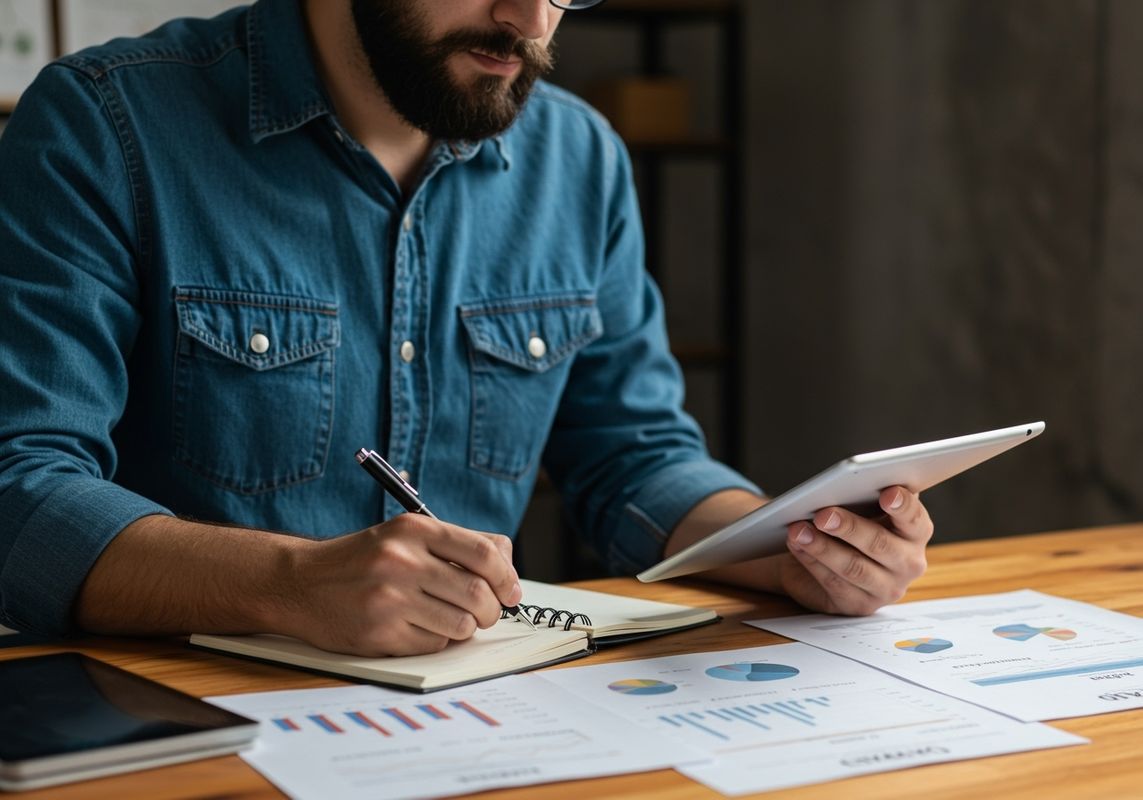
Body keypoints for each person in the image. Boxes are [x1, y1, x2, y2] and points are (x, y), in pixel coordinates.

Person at [0, 0, 933, 657]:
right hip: (174, 724)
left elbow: (633, 453)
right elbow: (20, 490)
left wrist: (786, 548)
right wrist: (286, 585)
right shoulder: (104, 125)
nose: (531, 20)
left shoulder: (578, 157)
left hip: (479, 717)